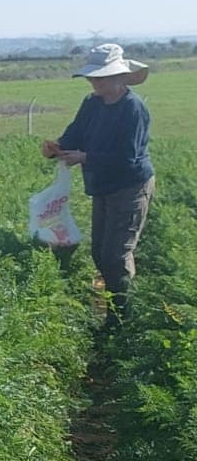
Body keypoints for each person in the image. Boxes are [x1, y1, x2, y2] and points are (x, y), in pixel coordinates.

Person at [42, 42, 154, 324]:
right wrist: (57, 147)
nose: (95, 82)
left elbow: (127, 157)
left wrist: (86, 157)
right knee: (99, 252)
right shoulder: (92, 103)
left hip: (130, 186)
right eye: (93, 77)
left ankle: (122, 319)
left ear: (119, 76)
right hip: (102, 185)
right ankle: (113, 310)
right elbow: (76, 133)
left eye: (101, 77)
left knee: (116, 254)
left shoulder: (133, 108)